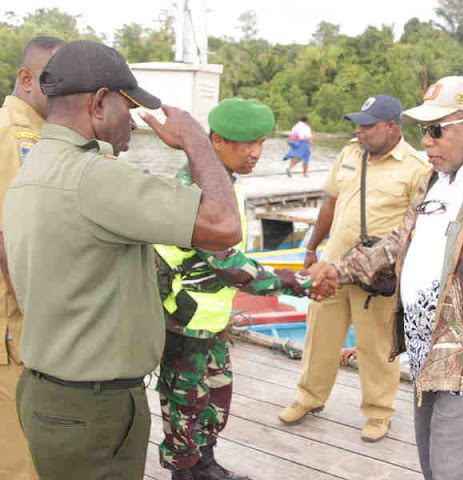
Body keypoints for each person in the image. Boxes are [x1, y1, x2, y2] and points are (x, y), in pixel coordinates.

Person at [3, 40, 243, 480]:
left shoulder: (33, 167)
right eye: (127, 106)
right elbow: (224, 224)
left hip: (50, 393)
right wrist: (195, 139)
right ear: (97, 102)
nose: (133, 120)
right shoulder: (94, 179)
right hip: (91, 410)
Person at [312, 77, 463, 479]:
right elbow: (400, 242)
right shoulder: (439, 179)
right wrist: (339, 270)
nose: (425, 141)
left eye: (435, 129)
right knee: (436, 470)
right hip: (428, 359)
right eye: (422, 130)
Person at [155, 98, 328, 480]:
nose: (256, 154)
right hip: (184, 323)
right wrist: (300, 281)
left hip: (213, 317)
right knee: (184, 403)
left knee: (216, 395)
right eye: (244, 144)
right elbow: (231, 266)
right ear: (215, 142)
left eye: (261, 143)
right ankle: (184, 473)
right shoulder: (193, 189)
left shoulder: (226, 184)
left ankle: (206, 465)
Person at [279, 95, 429, 442]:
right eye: (358, 124)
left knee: (376, 345)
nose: (360, 130)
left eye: (368, 125)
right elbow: (330, 203)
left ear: (393, 127)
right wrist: (312, 247)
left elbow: (412, 231)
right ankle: (309, 398)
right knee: (319, 338)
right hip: (330, 265)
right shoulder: (349, 154)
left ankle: (378, 413)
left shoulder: (416, 168)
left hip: (374, 275)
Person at [0, 34, 64, 480]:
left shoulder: (41, 133)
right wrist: (43, 313)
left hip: (27, 319)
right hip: (17, 320)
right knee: (20, 456)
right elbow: (8, 237)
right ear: (26, 78)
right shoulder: (16, 136)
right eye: (56, 83)